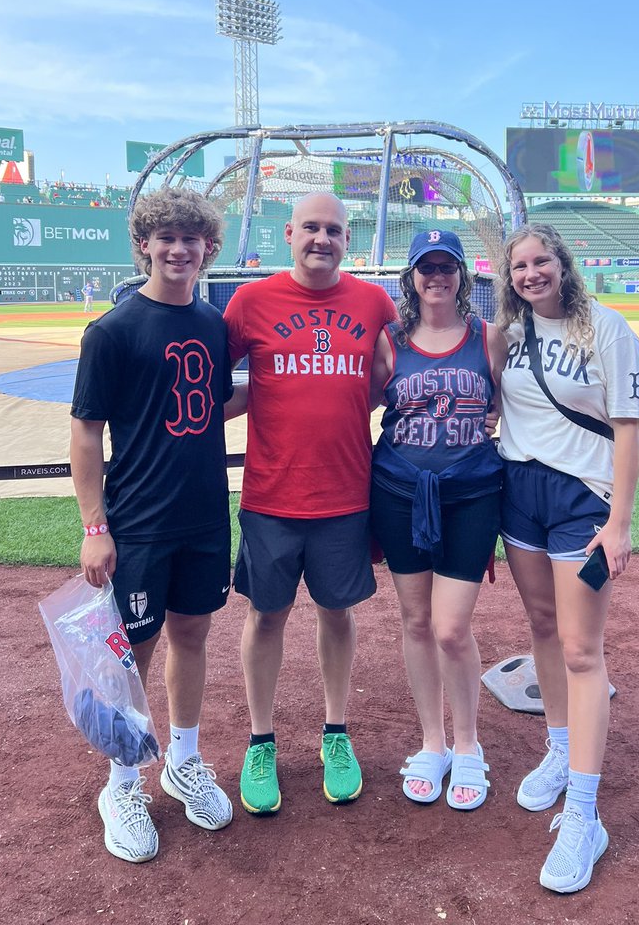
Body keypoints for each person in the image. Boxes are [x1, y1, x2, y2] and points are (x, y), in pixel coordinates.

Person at [70, 186, 234, 863]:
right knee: (132, 656)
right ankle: (122, 781)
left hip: (203, 516)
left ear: (208, 249)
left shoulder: (215, 325)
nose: (177, 249)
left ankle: (184, 760)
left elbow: (207, 408)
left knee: (192, 635)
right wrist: (93, 524)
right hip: (137, 521)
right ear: (143, 244)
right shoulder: (111, 330)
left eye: (190, 239)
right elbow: (85, 434)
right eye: (164, 237)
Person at [223, 192, 397, 815]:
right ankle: (261, 740)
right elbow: (212, 381)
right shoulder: (251, 301)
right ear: (289, 233)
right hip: (271, 494)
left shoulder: (373, 302)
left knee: (336, 612)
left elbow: (398, 372)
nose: (323, 238)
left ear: (347, 239)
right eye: (312, 228)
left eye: (336, 230)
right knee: (266, 616)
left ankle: (336, 732)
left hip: (345, 494)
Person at [495, 223, 639, 894]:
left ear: (562, 264)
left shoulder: (607, 329)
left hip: (580, 497)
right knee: (540, 629)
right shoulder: (507, 334)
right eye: (519, 266)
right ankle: (559, 750)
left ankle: (585, 815)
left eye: (541, 261)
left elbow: (627, 428)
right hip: (518, 488)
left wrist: (619, 522)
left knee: (583, 649)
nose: (531, 273)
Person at [369, 230, 506, 811]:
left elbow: (515, 402)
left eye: (446, 266)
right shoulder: (390, 341)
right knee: (416, 620)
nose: (436, 277)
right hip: (399, 491)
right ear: (411, 277)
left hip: (472, 493)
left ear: (461, 275)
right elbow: (361, 404)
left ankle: (469, 744)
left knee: (451, 627)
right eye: (425, 267)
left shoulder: (489, 337)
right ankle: (433, 742)